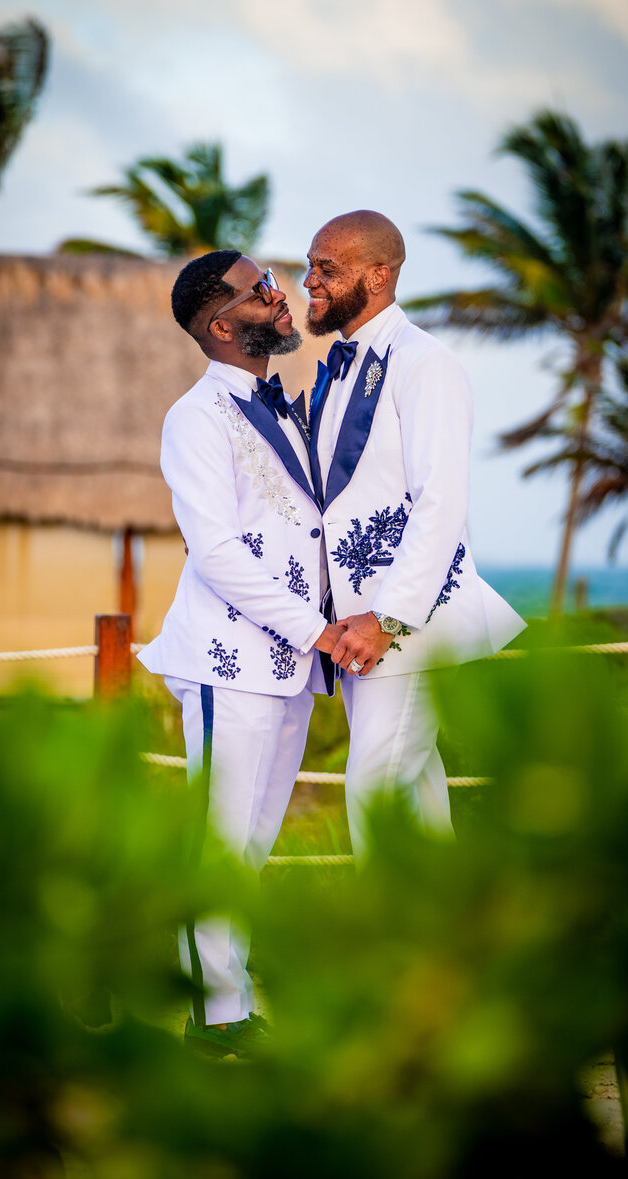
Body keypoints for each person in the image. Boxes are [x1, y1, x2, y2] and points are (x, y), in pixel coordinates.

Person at [137, 250, 341, 1057]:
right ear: (222, 325)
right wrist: (316, 629)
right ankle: (216, 1019)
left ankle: (215, 999)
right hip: (231, 658)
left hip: (286, 664)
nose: (278, 292)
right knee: (222, 845)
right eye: (258, 288)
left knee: (248, 847)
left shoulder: (280, 403)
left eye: (274, 281)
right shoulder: (197, 417)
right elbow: (216, 549)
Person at [304, 211, 526, 859]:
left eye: (327, 268)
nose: (309, 281)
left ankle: (383, 956)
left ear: (380, 274)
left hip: (406, 628)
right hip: (358, 630)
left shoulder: (426, 363)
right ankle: (455, 946)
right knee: (419, 800)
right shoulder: (338, 370)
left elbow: (442, 501)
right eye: (311, 265)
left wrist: (390, 618)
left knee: (374, 795)